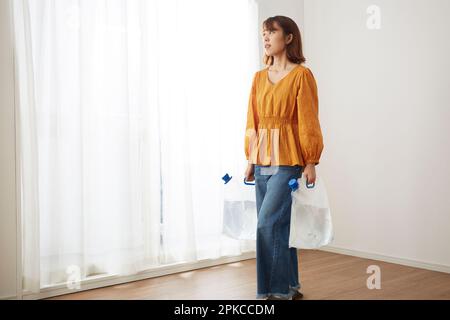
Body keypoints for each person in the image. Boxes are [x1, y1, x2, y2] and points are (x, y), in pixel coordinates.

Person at [244, 15, 324, 300]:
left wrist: (311, 160)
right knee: (279, 224)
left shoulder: (302, 76)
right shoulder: (258, 78)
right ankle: (290, 285)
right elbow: (252, 122)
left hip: (289, 160)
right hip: (262, 158)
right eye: (263, 33)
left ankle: (274, 291)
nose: (265, 38)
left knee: (267, 223)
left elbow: (308, 122)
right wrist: (250, 159)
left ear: (288, 38)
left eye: (271, 32)